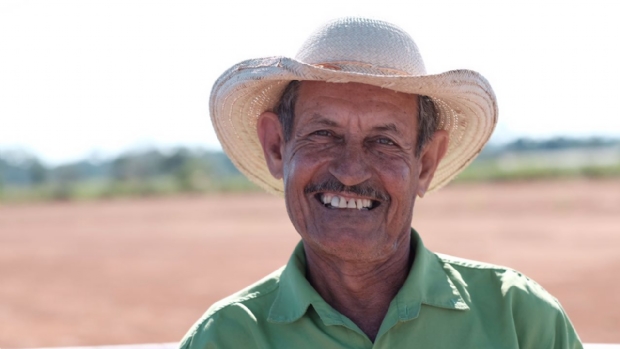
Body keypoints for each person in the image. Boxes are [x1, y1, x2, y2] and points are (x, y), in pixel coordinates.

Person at [179, 17, 582, 348]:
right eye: (323, 134)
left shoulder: (522, 321)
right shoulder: (226, 339)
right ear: (277, 148)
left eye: (384, 141)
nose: (351, 170)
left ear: (425, 164)